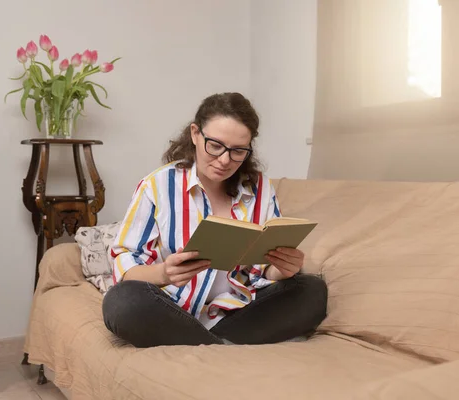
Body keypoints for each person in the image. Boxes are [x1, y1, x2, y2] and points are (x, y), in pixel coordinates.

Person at [102, 92, 328, 348]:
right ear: (195, 134)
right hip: (172, 311)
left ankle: (208, 345)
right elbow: (125, 262)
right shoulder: (156, 186)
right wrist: (163, 273)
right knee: (121, 302)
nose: (224, 160)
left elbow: (264, 266)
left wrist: (282, 269)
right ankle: (221, 347)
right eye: (216, 146)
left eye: (238, 151)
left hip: (238, 313)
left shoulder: (260, 187)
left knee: (312, 290)